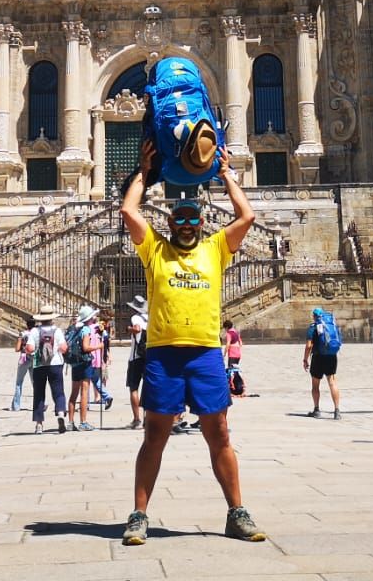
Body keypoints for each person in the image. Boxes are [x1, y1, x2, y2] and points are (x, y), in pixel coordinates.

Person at [119, 139, 265, 547]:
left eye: (191, 219)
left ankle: (237, 512)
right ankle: (139, 515)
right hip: (164, 355)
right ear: (170, 225)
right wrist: (144, 174)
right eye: (179, 219)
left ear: (201, 224)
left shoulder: (216, 249)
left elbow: (247, 215)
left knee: (219, 434)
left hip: (204, 354)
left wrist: (226, 176)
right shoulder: (155, 251)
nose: (186, 224)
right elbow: (128, 211)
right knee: (155, 436)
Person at [27, 304, 68, 433]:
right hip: (55, 364)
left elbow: (30, 348)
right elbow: (64, 348)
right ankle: (61, 413)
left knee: (39, 394)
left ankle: (39, 424)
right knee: (58, 392)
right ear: (52, 318)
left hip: (39, 365)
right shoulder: (57, 331)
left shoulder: (35, 331)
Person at [303, 306, 341, 419]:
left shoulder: (313, 327)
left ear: (314, 316)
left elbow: (309, 345)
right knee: (332, 383)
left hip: (318, 357)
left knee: (315, 385)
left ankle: (317, 409)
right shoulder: (331, 325)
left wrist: (305, 359)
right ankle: (337, 411)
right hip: (331, 357)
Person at [68, 305, 100, 431]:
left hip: (75, 363)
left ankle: (70, 422)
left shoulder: (76, 328)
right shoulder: (86, 329)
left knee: (74, 393)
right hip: (84, 363)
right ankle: (83, 422)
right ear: (90, 318)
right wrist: (99, 346)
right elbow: (86, 347)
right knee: (84, 393)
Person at [126, 298, 148, 430]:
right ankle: (147, 418)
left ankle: (136, 419)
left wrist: (129, 329)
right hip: (149, 356)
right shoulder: (149, 318)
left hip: (136, 356)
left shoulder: (135, 318)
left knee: (133, 388)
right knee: (147, 387)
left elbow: (137, 329)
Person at [9, 316, 34, 412]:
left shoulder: (23, 334)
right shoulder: (37, 334)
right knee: (35, 383)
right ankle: (40, 403)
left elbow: (17, 349)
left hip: (24, 358)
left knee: (19, 382)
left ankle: (16, 405)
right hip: (34, 358)